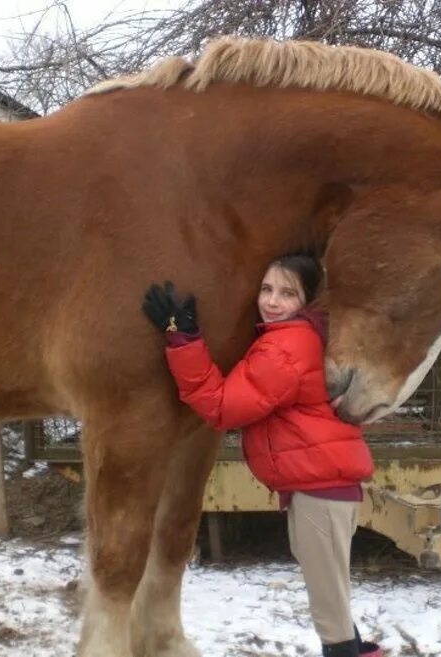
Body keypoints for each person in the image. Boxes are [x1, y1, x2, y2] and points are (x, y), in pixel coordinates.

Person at [142, 253, 382, 657]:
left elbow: (222, 407)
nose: (271, 302)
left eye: (287, 293)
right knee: (331, 599)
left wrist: (182, 338)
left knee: (331, 612)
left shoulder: (286, 347)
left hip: (320, 488)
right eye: (266, 289)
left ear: (306, 301)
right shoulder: (298, 337)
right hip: (322, 484)